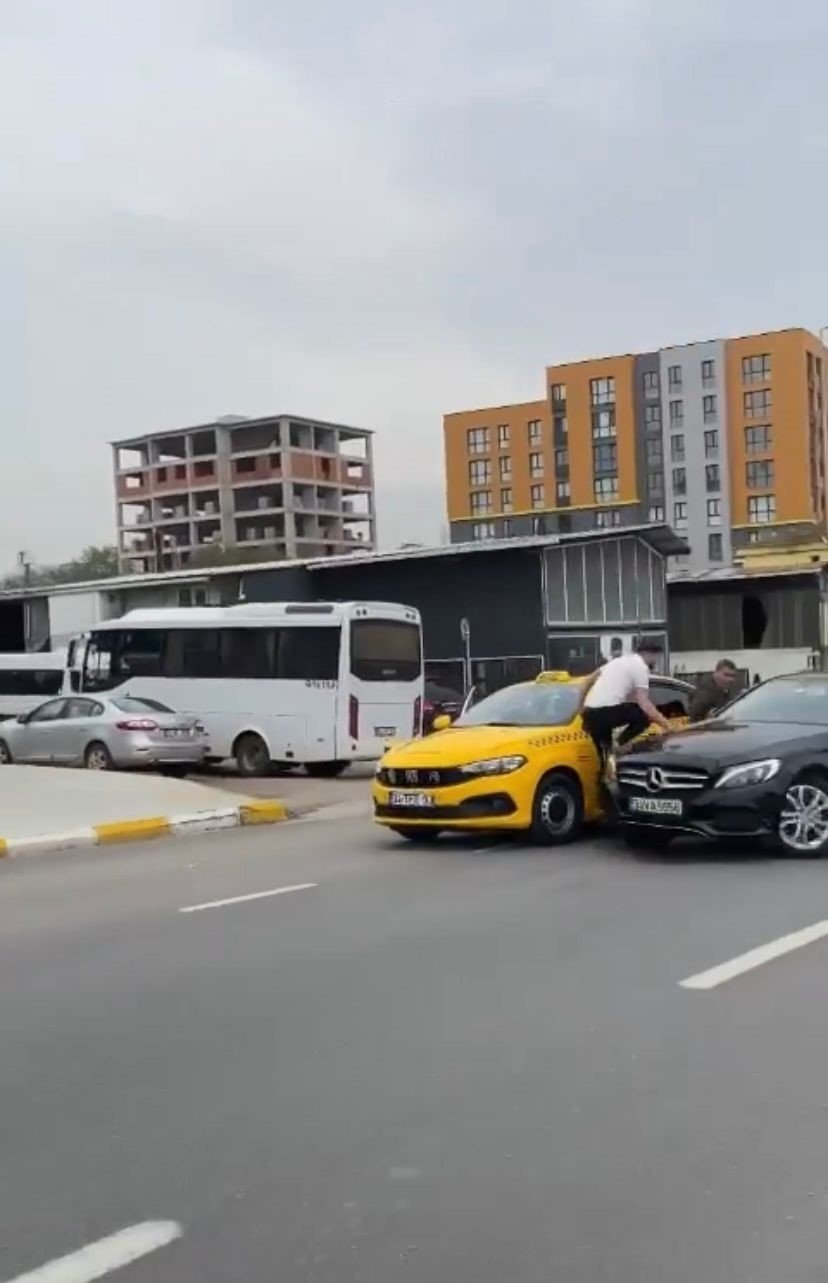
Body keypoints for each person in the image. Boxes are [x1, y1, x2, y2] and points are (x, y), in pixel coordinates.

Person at [579, 637, 671, 760]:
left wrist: (581, 708)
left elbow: (586, 681)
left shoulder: (616, 662)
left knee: (606, 758)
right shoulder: (640, 667)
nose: (656, 661)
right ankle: (620, 743)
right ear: (649, 654)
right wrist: (667, 725)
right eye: (657, 657)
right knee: (644, 715)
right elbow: (645, 704)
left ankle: (606, 770)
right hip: (605, 712)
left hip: (590, 715)